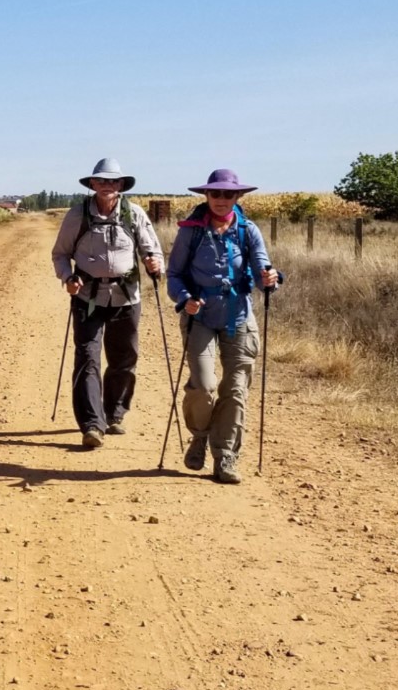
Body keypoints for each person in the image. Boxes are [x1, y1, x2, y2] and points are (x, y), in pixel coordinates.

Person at [166, 168, 278, 484]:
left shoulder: (248, 230)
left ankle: (226, 455)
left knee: (237, 389)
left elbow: (262, 271)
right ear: (206, 195)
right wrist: (185, 298)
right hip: (199, 316)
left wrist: (270, 279)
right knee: (203, 386)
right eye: (215, 193)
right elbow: (173, 275)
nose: (221, 199)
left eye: (228, 194)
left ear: (238, 196)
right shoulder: (191, 231)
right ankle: (200, 435)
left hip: (239, 317)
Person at [51, 159, 165, 449]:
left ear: (121, 186)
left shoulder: (134, 214)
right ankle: (92, 424)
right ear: (92, 184)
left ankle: (114, 413)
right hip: (87, 296)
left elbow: (152, 250)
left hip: (126, 298)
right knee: (87, 357)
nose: (107, 186)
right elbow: (61, 254)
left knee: (124, 358)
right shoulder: (77, 216)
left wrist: (155, 264)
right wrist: (67, 277)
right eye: (101, 181)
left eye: (113, 182)